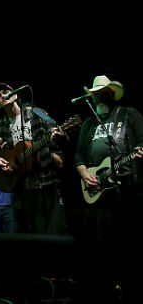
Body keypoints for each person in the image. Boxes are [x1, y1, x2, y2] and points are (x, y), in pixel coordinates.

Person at [74, 75, 143, 302]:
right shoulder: (88, 124)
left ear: (112, 94)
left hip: (128, 189)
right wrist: (85, 174)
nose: (98, 97)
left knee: (130, 242)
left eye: (102, 92)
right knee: (104, 243)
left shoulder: (128, 114)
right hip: (101, 195)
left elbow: (141, 142)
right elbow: (80, 156)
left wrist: (138, 151)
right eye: (95, 94)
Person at [0, 82, 66, 235]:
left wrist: (58, 135)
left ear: (15, 95)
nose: (3, 96)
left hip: (46, 185)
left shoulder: (37, 114)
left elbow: (58, 146)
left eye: (6, 92)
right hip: (20, 191)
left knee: (52, 236)